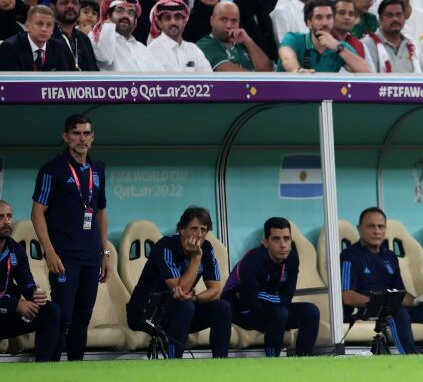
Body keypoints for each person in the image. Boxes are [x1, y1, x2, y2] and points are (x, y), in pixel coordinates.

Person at [30, 114, 109, 361]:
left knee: (83, 316)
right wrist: (49, 251)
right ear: (66, 137)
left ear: (93, 137)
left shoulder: (98, 170)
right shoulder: (51, 170)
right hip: (63, 256)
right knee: (63, 314)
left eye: (86, 133)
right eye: (76, 133)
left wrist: (105, 252)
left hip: (91, 254)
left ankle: (77, 368)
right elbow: (37, 213)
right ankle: (51, 368)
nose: (81, 139)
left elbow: (100, 212)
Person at [124, 206, 230, 358]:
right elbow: (180, 290)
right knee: (185, 305)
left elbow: (215, 289)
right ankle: (174, 363)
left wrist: (196, 298)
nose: (199, 235)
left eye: (203, 230)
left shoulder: (206, 248)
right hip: (146, 313)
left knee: (222, 307)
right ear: (181, 229)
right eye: (194, 229)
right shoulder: (165, 246)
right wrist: (196, 258)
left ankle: (221, 363)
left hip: (179, 310)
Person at [340, 208, 423, 354]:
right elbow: (347, 296)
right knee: (398, 312)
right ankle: (411, 360)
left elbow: (400, 292)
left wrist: (416, 300)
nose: (377, 231)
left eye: (381, 226)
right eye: (371, 226)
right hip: (366, 310)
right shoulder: (349, 256)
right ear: (359, 229)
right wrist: (380, 303)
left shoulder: (390, 256)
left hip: (392, 307)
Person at [223, 216, 320, 357]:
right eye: (276, 239)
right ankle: (272, 360)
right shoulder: (254, 259)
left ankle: (303, 359)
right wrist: (276, 299)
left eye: (286, 239)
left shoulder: (292, 258)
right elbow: (249, 299)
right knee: (279, 313)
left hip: (269, 309)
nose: (283, 245)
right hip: (241, 310)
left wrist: (271, 299)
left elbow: (287, 297)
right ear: (265, 242)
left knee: (311, 311)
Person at [0, 199, 61, 362]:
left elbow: (26, 282)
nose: (7, 221)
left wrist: (35, 293)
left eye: (9, 216)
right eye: (1, 217)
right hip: (6, 306)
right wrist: (16, 305)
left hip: (5, 313)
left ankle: (44, 369)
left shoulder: (15, 250)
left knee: (51, 311)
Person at [278, 0, 366, 73]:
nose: (325, 23)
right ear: (308, 23)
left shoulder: (339, 46)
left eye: (329, 17)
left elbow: (367, 71)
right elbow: (287, 58)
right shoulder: (293, 39)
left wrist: (337, 47)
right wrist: (297, 71)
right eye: (318, 17)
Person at [89, 0, 162, 71]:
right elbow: (104, 57)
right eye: (120, 11)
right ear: (108, 16)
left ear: (135, 21)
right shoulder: (95, 37)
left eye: (130, 13)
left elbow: (161, 76)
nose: (125, 16)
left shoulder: (142, 48)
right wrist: (107, 26)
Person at [197, 1, 274, 71]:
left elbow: (268, 71)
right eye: (224, 19)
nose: (229, 25)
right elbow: (236, 78)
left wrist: (248, 41)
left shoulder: (244, 42)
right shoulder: (204, 45)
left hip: (256, 86)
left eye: (234, 20)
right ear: (212, 20)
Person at [147, 0, 213, 72]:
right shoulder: (152, 51)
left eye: (177, 17)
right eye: (167, 18)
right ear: (160, 23)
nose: (173, 22)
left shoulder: (194, 50)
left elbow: (208, 79)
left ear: (184, 21)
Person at [0, 4, 72, 70]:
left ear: (53, 29)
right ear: (27, 26)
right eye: (39, 24)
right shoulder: (9, 48)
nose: (44, 29)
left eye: (49, 25)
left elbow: (65, 79)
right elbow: (12, 82)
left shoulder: (60, 47)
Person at [51, 0, 98, 71]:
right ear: (52, 7)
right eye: (65, 2)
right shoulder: (46, 37)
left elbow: (94, 73)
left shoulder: (84, 39)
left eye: (75, 3)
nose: (70, 6)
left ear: (79, 7)